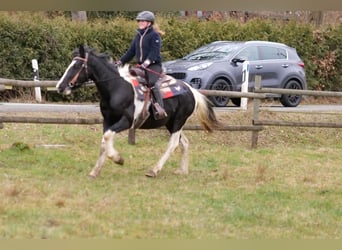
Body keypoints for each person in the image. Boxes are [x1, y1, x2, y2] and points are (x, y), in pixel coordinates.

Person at [117, 11, 167, 120]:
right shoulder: (138, 35)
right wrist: (120, 62)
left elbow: (154, 53)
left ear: (149, 23)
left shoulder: (155, 35)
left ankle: (160, 108)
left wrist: (146, 63)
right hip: (141, 66)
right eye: (139, 21)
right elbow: (131, 52)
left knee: (152, 82)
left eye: (142, 21)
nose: (140, 22)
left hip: (154, 66)